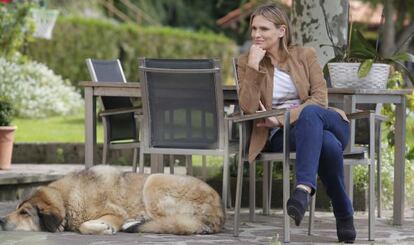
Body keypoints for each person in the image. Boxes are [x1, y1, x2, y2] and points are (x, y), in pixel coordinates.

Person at [236, 3, 356, 243]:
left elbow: (320, 98)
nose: (256, 35)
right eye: (254, 29)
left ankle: (303, 187)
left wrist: (280, 118)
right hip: (286, 135)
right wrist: (252, 67)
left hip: (326, 120)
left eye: (264, 29)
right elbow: (248, 107)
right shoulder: (247, 62)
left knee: (311, 113)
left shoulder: (305, 55)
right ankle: (341, 212)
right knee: (327, 144)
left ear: (282, 31)